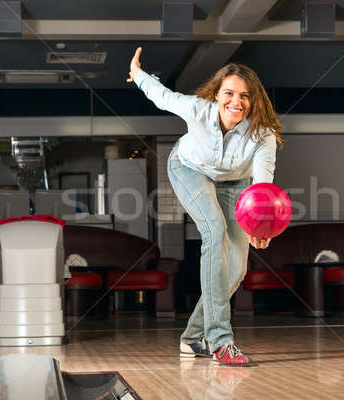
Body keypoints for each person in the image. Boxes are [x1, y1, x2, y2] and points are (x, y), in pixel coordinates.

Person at [127, 47, 282, 367]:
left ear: (254, 100)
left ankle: (192, 337)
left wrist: (259, 225)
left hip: (237, 184)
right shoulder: (198, 109)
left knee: (237, 268)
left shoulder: (262, 132)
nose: (236, 102)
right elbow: (163, 97)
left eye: (244, 96)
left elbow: (262, 181)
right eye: (229, 93)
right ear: (217, 93)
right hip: (189, 170)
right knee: (215, 231)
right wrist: (139, 75)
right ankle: (220, 341)